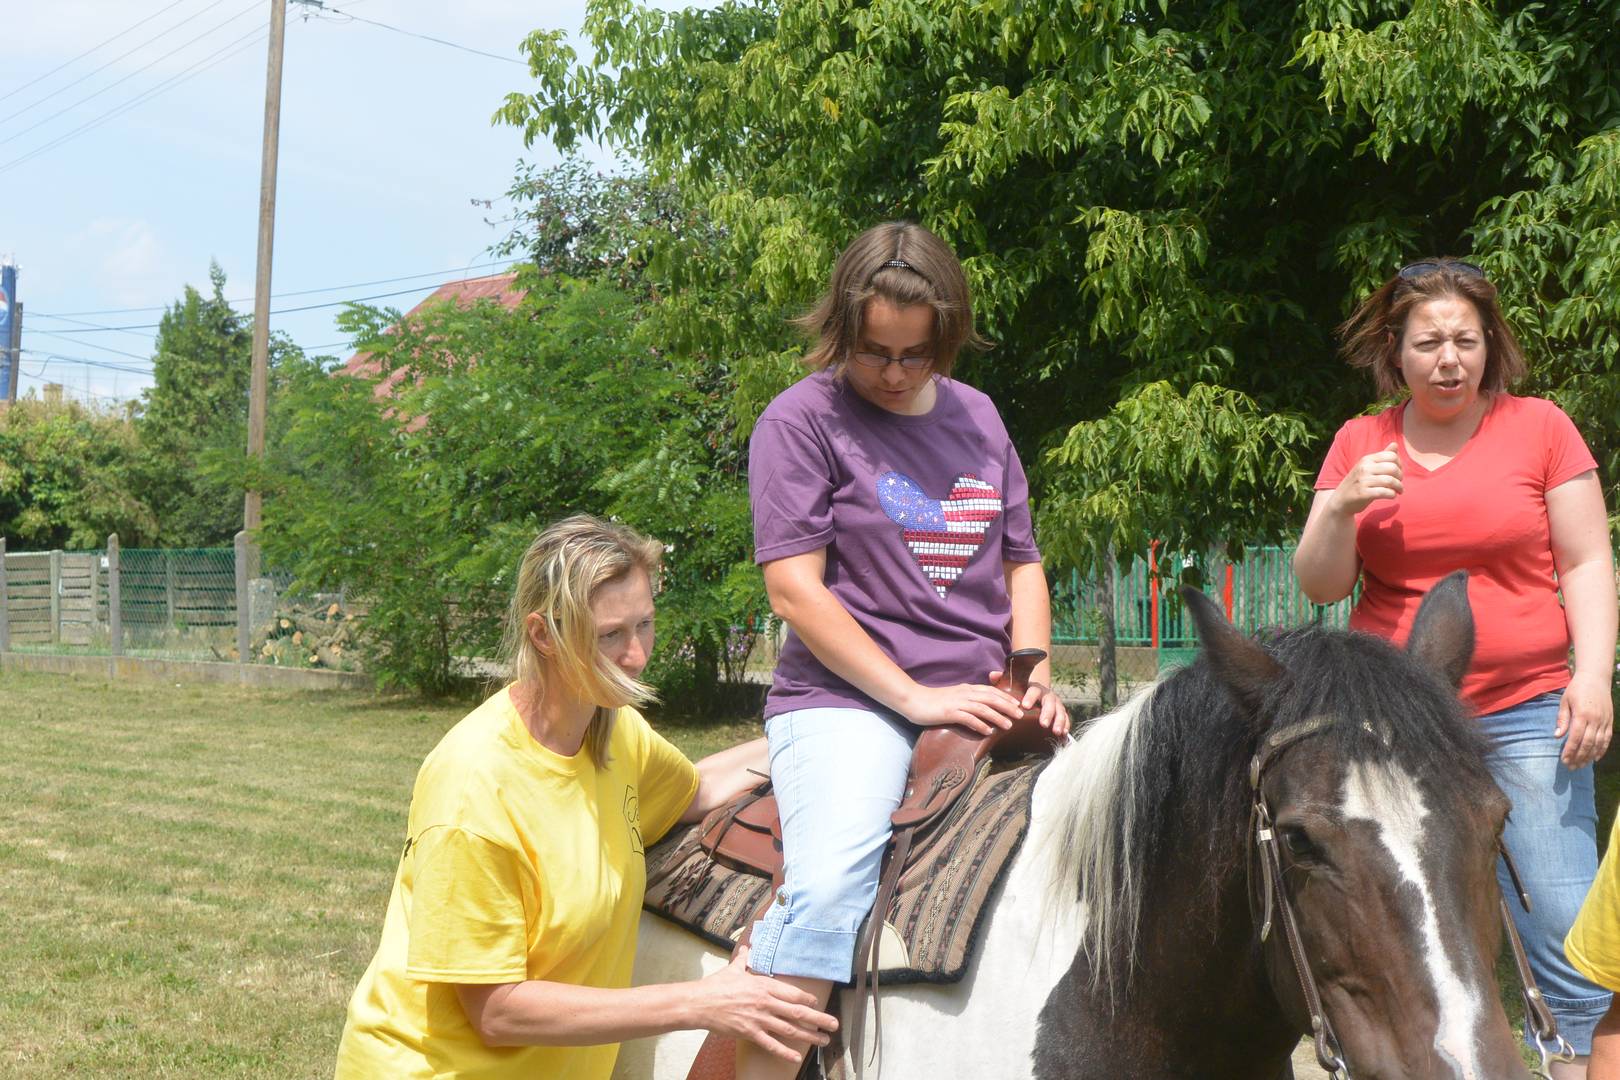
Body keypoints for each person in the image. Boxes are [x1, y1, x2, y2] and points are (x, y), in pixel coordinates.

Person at [334, 514, 838, 1080]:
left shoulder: (613, 730)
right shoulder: (474, 788)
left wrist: (820, 732)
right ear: (542, 635)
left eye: (645, 624)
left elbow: (695, 789)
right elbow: (496, 1011)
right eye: (609, 636)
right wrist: (704, 1001)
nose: (636, 655)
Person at [742, 221, 1070, 1079]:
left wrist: (1034, 673)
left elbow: (1022, 562)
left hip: (983, 693)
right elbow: (794, 591)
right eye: (873, 352)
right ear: (841, 331)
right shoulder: (800, 420)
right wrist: (915, 698)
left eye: (914, 354)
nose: (892, 374)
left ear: (946, 336)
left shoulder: (979, 416)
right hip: (848, 703)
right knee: (829, 887)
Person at [1294, 258, 1617, 1077]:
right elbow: (1322, 584)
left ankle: (1576, 1062)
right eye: (1429, 342)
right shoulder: (1360, 443)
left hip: (1526, 709)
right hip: (1391, 729)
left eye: (1466, 341)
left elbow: (1585, 561)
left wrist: (1591, 677)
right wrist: (1340, 506)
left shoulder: (1541, 429)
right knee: (1400, 920)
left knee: (1562, 920)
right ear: (1395, 351)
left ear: (1490, 345)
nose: (1449, 360)